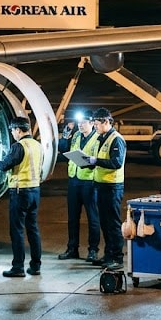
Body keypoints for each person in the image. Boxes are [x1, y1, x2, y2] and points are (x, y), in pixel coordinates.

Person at [0, 116, 44, 277]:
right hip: (35, 191)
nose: (12, 133)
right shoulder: (37, 145)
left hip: (20, 191)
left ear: (18, 130)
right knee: (33, 229)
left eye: (12, 130)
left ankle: (18, 267)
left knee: (17, 230)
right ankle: (36, 265)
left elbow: (3, 166)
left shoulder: (19, 146)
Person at [79, 107, 127, 270]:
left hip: (112, 187)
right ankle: (108, 255)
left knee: (113, 223)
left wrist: (95, 161)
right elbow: (100, 161)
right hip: (101, 185)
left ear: (106, 122)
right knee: (105, 223)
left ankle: (117, 258)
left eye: (97, 123)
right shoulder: (102, 138)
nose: (95, 126)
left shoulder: (116, 139)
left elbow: (116, 163)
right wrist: (89, 163)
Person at [56, 110, 101, 263]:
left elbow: (100, 160)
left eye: (84, 122)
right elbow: (62, 148)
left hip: (90, 182)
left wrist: (88, 162)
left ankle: (93, 250)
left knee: (92, 218)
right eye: (79, 122)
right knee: (72, 217)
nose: (80, 125)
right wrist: (66, 132)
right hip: (74, 180)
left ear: (92, 123)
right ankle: (72, 248)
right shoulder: (75, 135)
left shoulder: (97, 138)